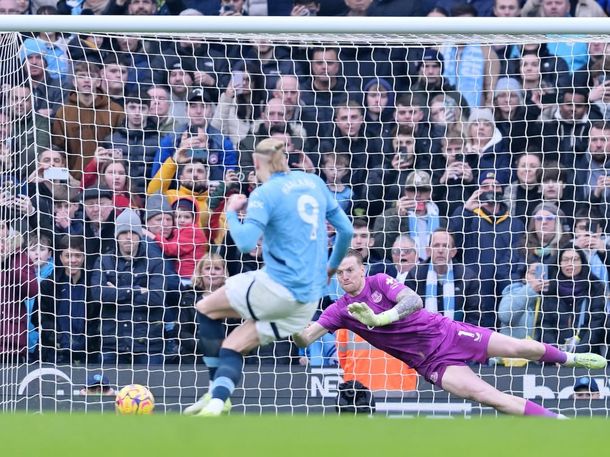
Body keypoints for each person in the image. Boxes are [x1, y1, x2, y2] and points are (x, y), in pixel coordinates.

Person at [294, 249, 607, 418]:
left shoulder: (378, 282)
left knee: (517, 347)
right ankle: (561, 424)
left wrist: (381, 318)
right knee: (487, 397)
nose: (345, 276)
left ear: (361, 270)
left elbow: (413, 301)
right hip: (431, 364)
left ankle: (570, 358)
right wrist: (289, 324)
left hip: (448, 332)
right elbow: (306, 338)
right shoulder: (339, 310)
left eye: (350, 270)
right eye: (340, 272)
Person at [184, 138, 354, 416]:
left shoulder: (266, 193)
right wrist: (331, 268)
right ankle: (217, 400)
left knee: (205, 309)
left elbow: (245, 244)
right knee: (233, 346)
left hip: (278, 286)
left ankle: (216, 390)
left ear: (257, 163)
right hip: (307, 301)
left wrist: (231, 211)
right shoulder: (314, 183)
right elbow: (346, 232)